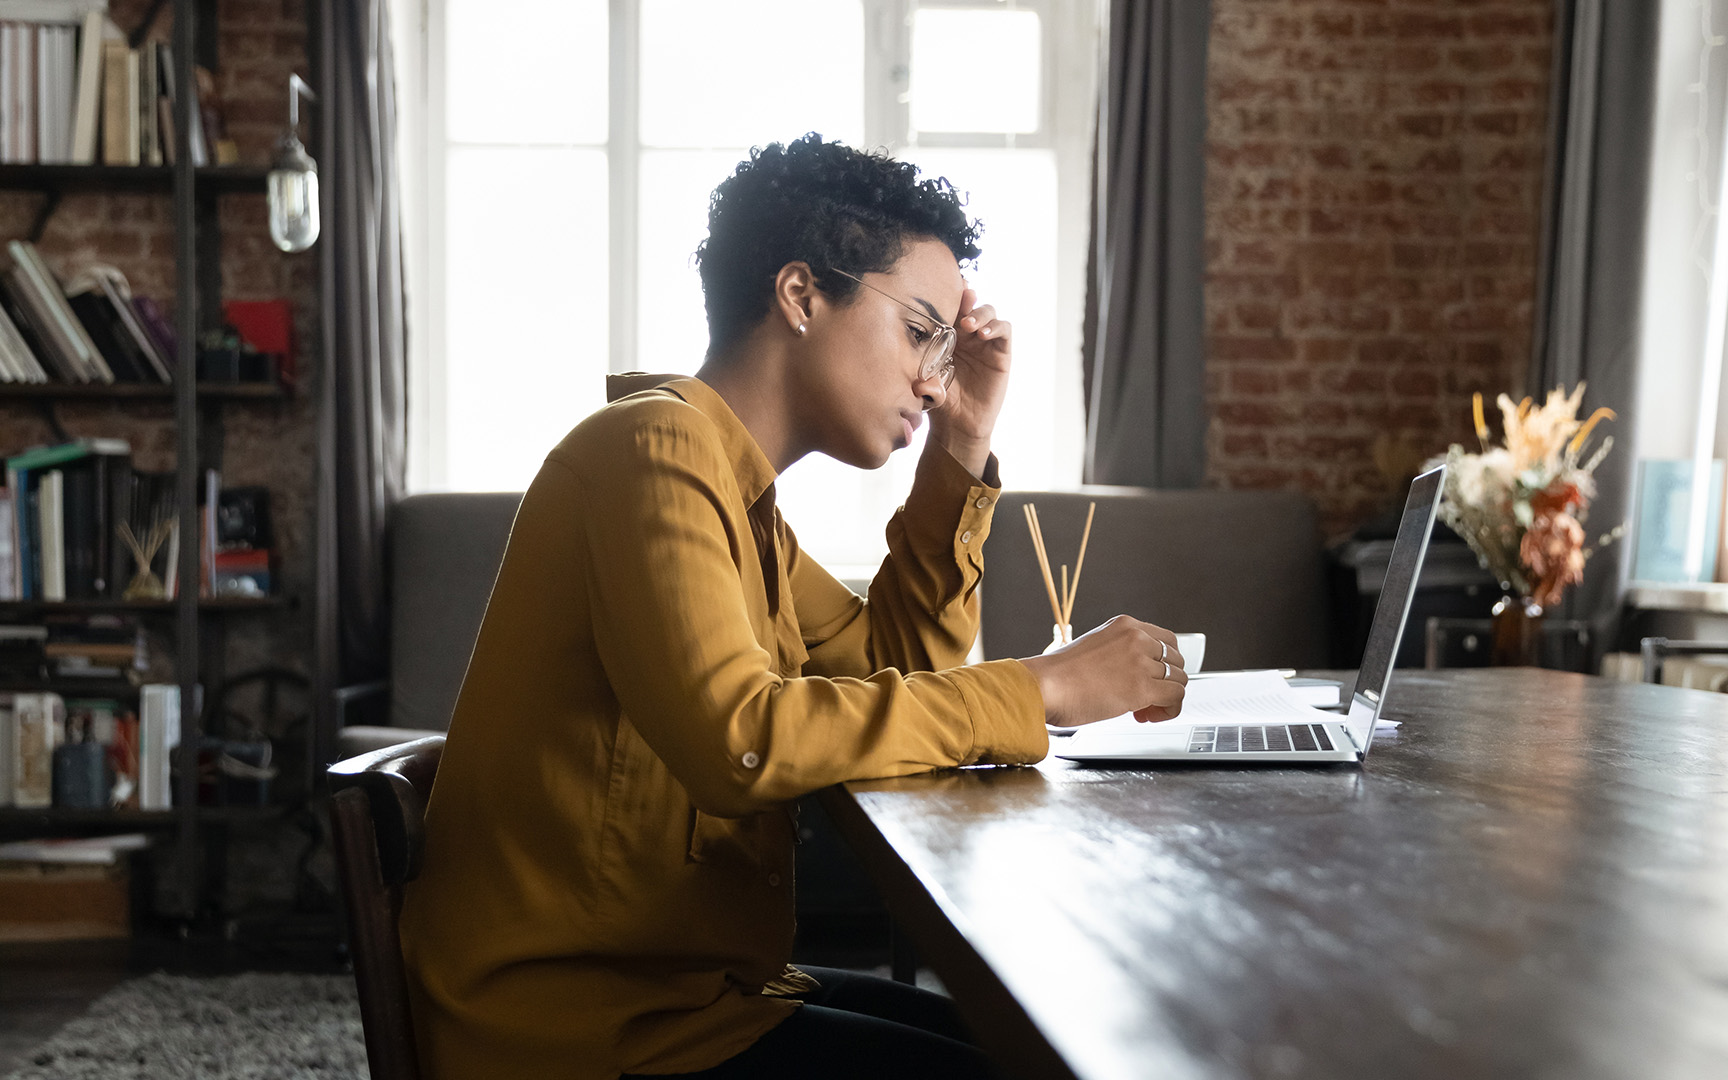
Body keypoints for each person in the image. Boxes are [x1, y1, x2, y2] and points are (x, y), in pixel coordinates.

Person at [397, 134, 1188, 1080]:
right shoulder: (654, 451)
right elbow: (742, 739)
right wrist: (1039, 688)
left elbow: (903, 664)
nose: (934, 380)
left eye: (943, 348)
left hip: (696, 995)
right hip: (583, 1034)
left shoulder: (745, 510)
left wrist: (964, 439)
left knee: (1022, 1044)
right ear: (802, 295)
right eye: (919, 332)